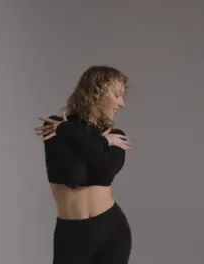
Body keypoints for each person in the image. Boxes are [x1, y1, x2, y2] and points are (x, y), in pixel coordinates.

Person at [34, 65, 132, 264]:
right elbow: (73, 176)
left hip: (112, 228)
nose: (122, 103)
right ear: (97, 92)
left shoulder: (115, 135)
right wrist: (102, 143)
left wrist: (69, 133)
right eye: (117, 95)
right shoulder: (53, 125)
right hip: (72, 233)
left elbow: (104, 175)